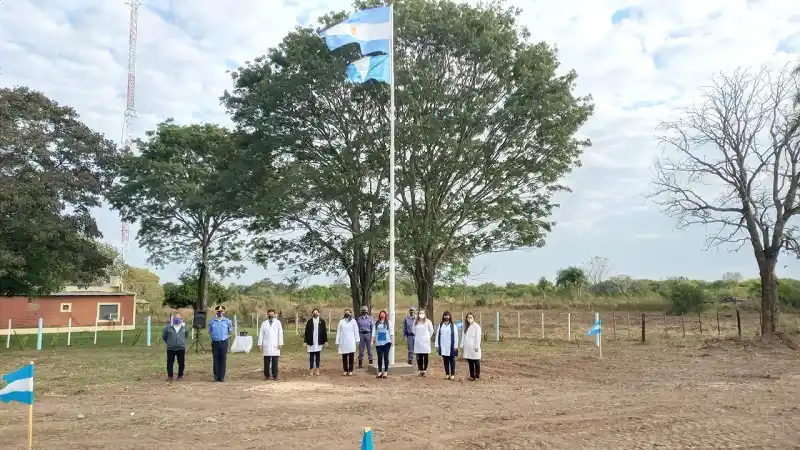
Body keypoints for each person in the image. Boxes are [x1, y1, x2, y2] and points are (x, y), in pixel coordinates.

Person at [208, 305, 232, 382]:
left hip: (224, 342)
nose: (220, 313)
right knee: (215, 360)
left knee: (223, 359)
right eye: (218, 311)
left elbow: (230, 331)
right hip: (215, 342)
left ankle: (221, 377)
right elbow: (210, 331)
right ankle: (216, 377)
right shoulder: (212, 321)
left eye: (221, 311)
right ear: (216, 312)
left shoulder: (228, 321)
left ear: (224, 312)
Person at [258, 309, 284, 381]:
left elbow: (280, 333)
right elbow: (261, 334)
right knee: (266, 361)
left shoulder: (278, 323)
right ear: (267, 314)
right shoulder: (264, 323)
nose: (271, 315)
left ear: (274, 314)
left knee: (275, 361)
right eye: (269, 314)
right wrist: (260, 344)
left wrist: (280, 343)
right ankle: (266, 375)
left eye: (272, 314)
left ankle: (275, 376)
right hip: (267, 344)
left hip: (275, 344)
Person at [162, 312, 188, 381]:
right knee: (170, 362)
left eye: (178, 318)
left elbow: (186, 335)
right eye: (176, 318)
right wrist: (169, 343)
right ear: (173, 319)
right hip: (170, 348)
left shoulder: (184, 327)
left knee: (181, 362)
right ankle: (170, 376)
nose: (177, 320)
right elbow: (164, 336)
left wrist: (181, 342)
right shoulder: (168, 327)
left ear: (181, 319)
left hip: (181, 348)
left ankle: (180, 376)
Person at [435, 311, 459, 380]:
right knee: (445, 360)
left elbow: (456, 336)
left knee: (452, 360)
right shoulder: (441, 325)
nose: (446, 317)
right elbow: (437, 335)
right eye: (445, 316)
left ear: (450, 317)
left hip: (451, 346)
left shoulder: (453, 325)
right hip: (443, 346)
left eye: (448, 316)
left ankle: (452, 374)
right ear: (443, 317)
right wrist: (437, 345)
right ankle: (447, 374)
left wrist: (456, 346)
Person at [303, 308, 328, 376]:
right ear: (312, 314)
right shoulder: (309, 321)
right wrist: (305, 341)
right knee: (311, 357)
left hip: (319, 341)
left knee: (317, 356)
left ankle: (317, 369)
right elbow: (306, 332)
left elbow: (324, 331)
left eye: (316, 312)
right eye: (314, 312)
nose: (315, 313)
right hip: (311, 341)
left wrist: (325, 341)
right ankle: (311, 370)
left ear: (319, 313)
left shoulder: (322, 321)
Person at [335, 308, 359, 376]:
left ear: (350, 314)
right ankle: (345, 370)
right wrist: (337, 341)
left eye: (348, 312)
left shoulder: (353, 321)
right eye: (346, 312)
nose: (347, 313)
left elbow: (356, 331)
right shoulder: (341, 322)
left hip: (351, 341)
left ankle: (350, 370)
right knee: (344, 356)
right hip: (343, 341)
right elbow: (338, 332)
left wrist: (357, 340)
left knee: (351, 356)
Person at [412, 309, 434, 376]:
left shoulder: (428, 321)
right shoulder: (415, 321)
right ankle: (421, 369)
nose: (421, 314)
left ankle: (425, 369)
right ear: (418, 314)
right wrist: (418, 336)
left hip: (425, 341)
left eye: (422, 313)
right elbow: (413, 330)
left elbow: (431, 330)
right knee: (419, 356)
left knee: (425, 355)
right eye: (420, 313)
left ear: (425, 314)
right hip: (418, 340)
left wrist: (427, 337)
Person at [461, 312, 482, 381]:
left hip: (474, 347)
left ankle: (477, 376)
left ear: (473, 318)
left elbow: (478, 338)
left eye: (471, 317)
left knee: (476, 361)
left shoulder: (477, 327)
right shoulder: (466, 327)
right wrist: (462, 345)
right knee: (470, 361)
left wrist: (477, 346)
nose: (469, 319)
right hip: (467, 347)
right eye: (468, 317)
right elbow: (463, 337)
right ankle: (472, 375)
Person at [372, 310, 392, 379]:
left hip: (386, 342)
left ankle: (386, 371)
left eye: (383, 314)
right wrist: (372, 340)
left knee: (386, 357)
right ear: (379, 315)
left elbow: (391, 332)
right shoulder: (376, 323)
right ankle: (380, 371)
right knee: (380, 357)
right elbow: (374, 332)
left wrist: (392, 340)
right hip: (378, 342)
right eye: (381, 314)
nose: (382, 315)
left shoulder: (388, 322)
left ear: (385, 315)